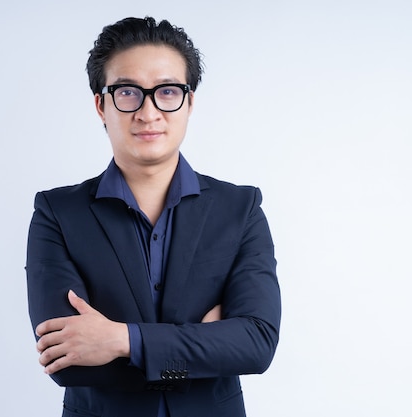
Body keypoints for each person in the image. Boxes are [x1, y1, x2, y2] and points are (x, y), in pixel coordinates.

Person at [26, 16, 281, 417]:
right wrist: (205, 344)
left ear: (189, 101)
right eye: (128, 92)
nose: (148, 112)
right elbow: (67, 362)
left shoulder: (240, 208)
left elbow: (257, 344)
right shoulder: (57, 213)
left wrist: (121, 339)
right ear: (101, 105)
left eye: (167, 91)